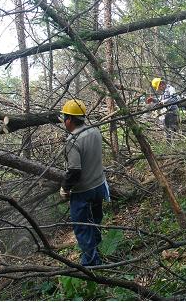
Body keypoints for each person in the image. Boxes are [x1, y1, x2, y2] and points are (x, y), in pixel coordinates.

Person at [59, 99, 109, 266]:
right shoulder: (94, 131)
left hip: (84, 190)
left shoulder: (73, 140)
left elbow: (74, 170)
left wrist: (65, 188)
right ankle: (100, 250)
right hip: (99, 184)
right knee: (95, 220)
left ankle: (91, 263)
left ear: (69, 120)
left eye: (65, 118)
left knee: (82, 226)